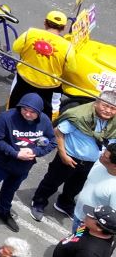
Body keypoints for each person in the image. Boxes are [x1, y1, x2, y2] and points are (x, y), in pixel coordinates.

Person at [0, 93, 57, 227]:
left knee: (10, 189)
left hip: (23, 166)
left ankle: (3, 211)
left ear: (39, 112)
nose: (27, 114)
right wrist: (15, 153)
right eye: (24, 109)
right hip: (1, 162)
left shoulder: (44, 121)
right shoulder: (6, 117)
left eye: (32, 112)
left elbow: (52, 142)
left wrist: (35, 152)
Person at [31, 91, 116, 220]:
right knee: (52, 182)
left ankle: (64, 204)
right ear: (96, 103)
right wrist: (63, 154)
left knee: (75, 187)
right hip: (68, 158)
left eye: (112, 108)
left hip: (90, 163)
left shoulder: (113, 124)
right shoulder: (79, 116)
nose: (108, 111)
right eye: (105, 106)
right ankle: (38, 202)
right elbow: (58, 132)